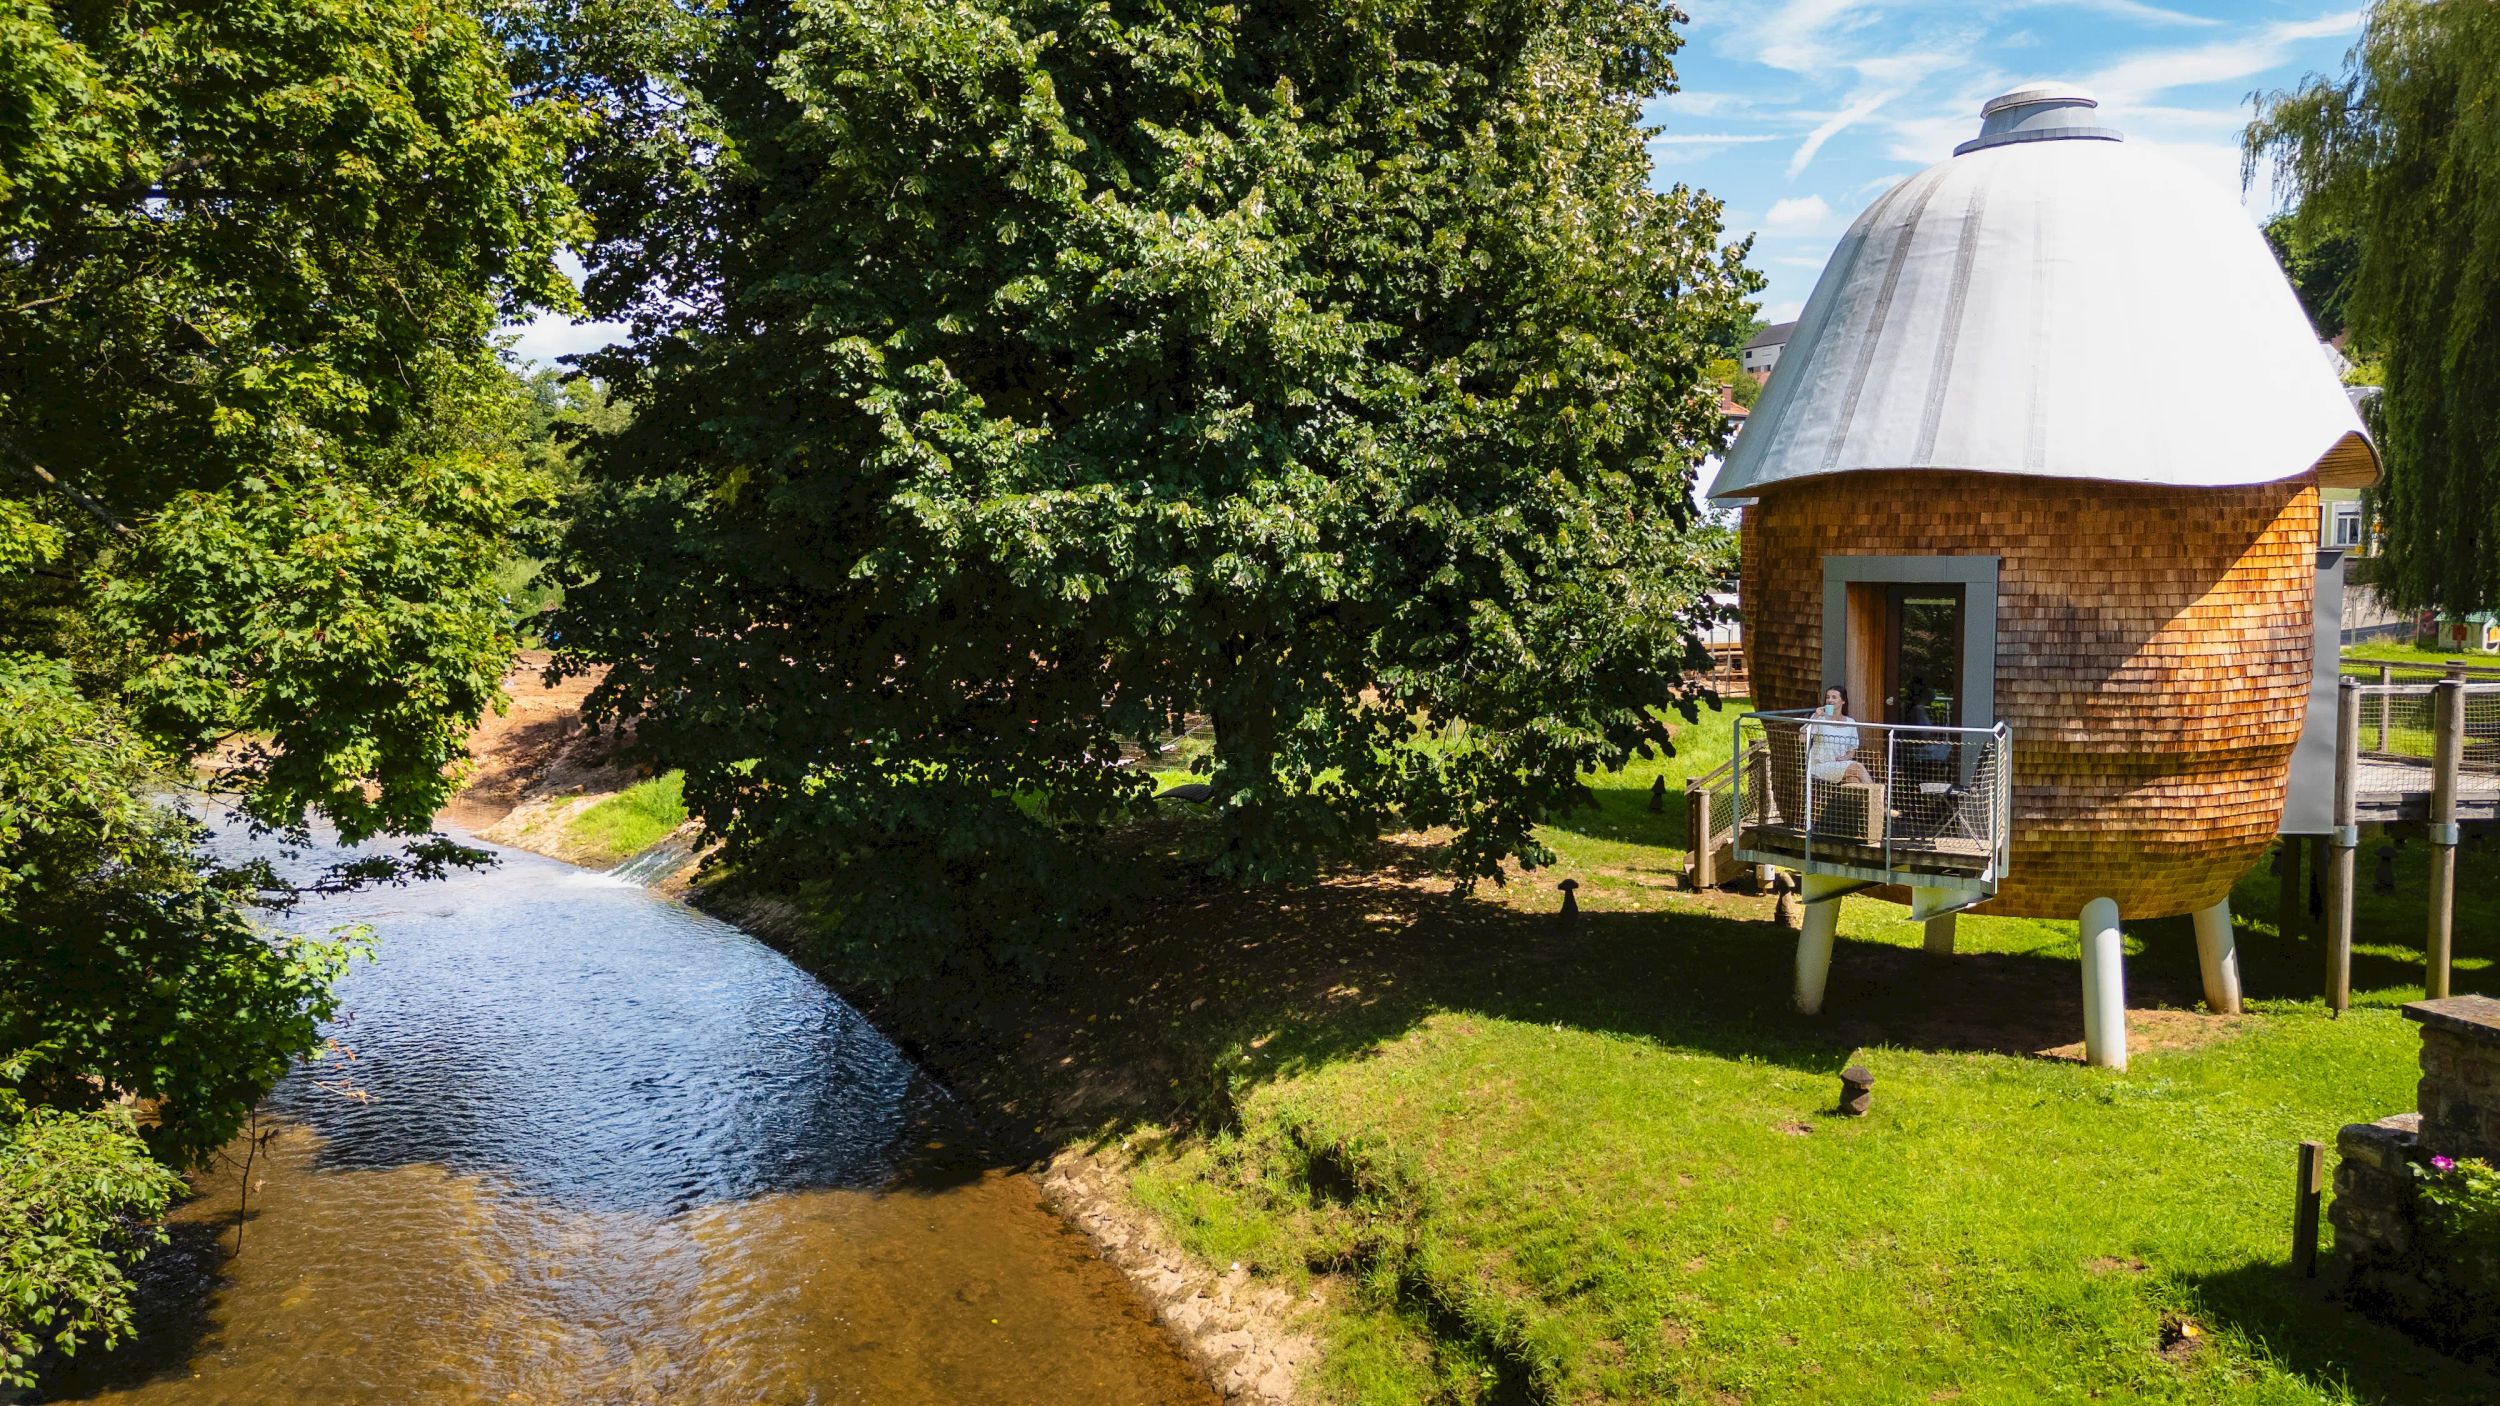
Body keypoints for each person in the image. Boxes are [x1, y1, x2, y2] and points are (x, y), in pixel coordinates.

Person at [1806, 686, 1875, 787]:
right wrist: (1816, 716)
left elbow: (1852, 750)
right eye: (1828, 697)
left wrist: (1844, 758)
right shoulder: (1819, 719)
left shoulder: (1851, 722)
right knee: (1857, 767)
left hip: (1840, 765)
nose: (1830, 700)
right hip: (1820, 765)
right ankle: (1879, 794)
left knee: (1853, 779)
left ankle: (1869, 796)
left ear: (1843, 701)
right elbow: (1802, 738)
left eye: (1834, 697)